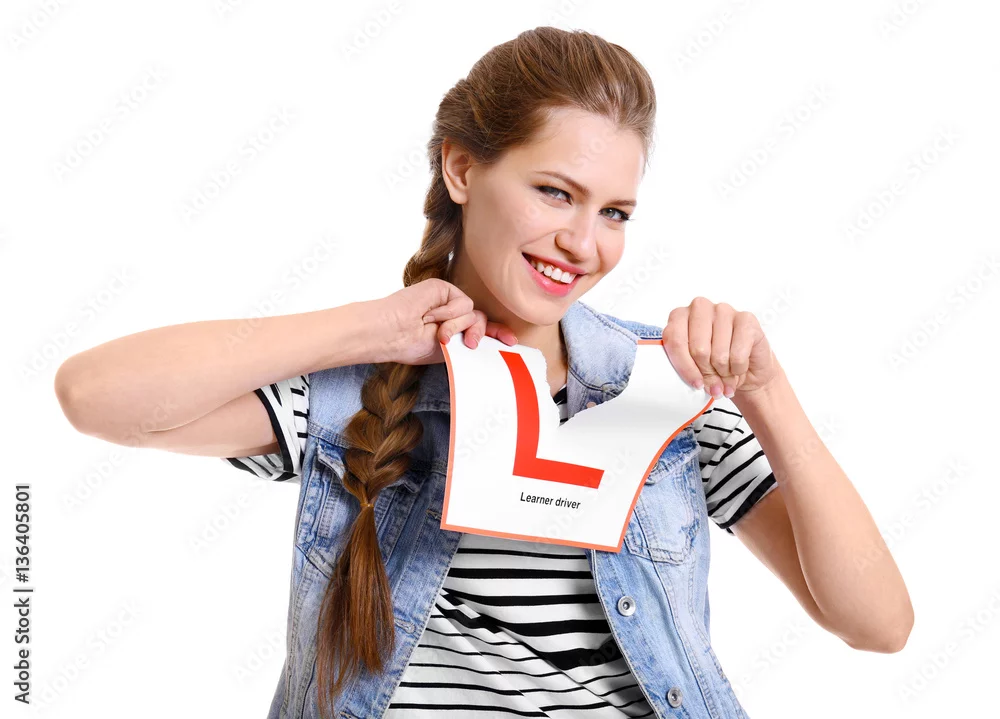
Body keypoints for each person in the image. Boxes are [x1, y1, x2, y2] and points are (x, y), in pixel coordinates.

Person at [55, 25, 911, 719]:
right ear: (461, 168)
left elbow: (878, 622)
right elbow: (94, 396)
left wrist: (764, 389)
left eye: (614, 212)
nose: (583, 242)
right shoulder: (355, 387)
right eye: (555, 192)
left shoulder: (664, 390)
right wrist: (368, 326)